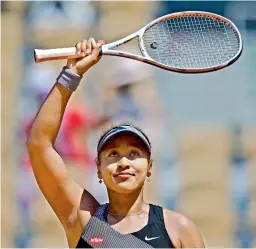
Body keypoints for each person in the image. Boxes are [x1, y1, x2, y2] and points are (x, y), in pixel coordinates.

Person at [27, 38, 205, 248]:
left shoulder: (178, 228)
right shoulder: (85, 221)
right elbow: (39, 144)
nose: (123, 162)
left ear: (149, 167)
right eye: (113, 154)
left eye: (134, 153)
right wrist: (71, 73)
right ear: (98, 169)